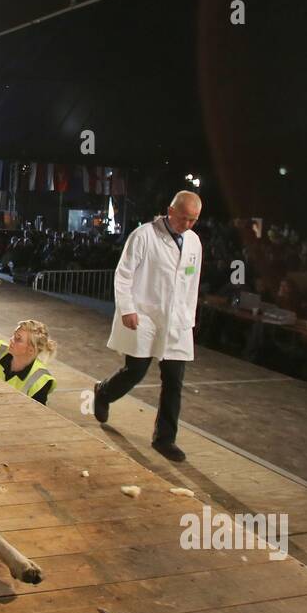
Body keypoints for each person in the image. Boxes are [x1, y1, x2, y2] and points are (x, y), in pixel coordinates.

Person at [93, 191, 203, 462]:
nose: (187, 225)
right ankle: (104, 392)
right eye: (184, 218)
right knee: (136, 370)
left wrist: (189, 315)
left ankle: (165, 439)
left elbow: (192, 280)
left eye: (194, 220)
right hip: (144, 315)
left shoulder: (194, 242)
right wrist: (127, 309)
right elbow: (124, 273)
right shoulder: (144, 235)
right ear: (170, 210)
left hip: (176, 320)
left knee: (174, 380)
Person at [0, 321, 57, 404]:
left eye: (18, 339)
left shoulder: (40, 380)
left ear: (31, 350)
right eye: (14, 335)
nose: (11, 339)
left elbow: (35, 414)